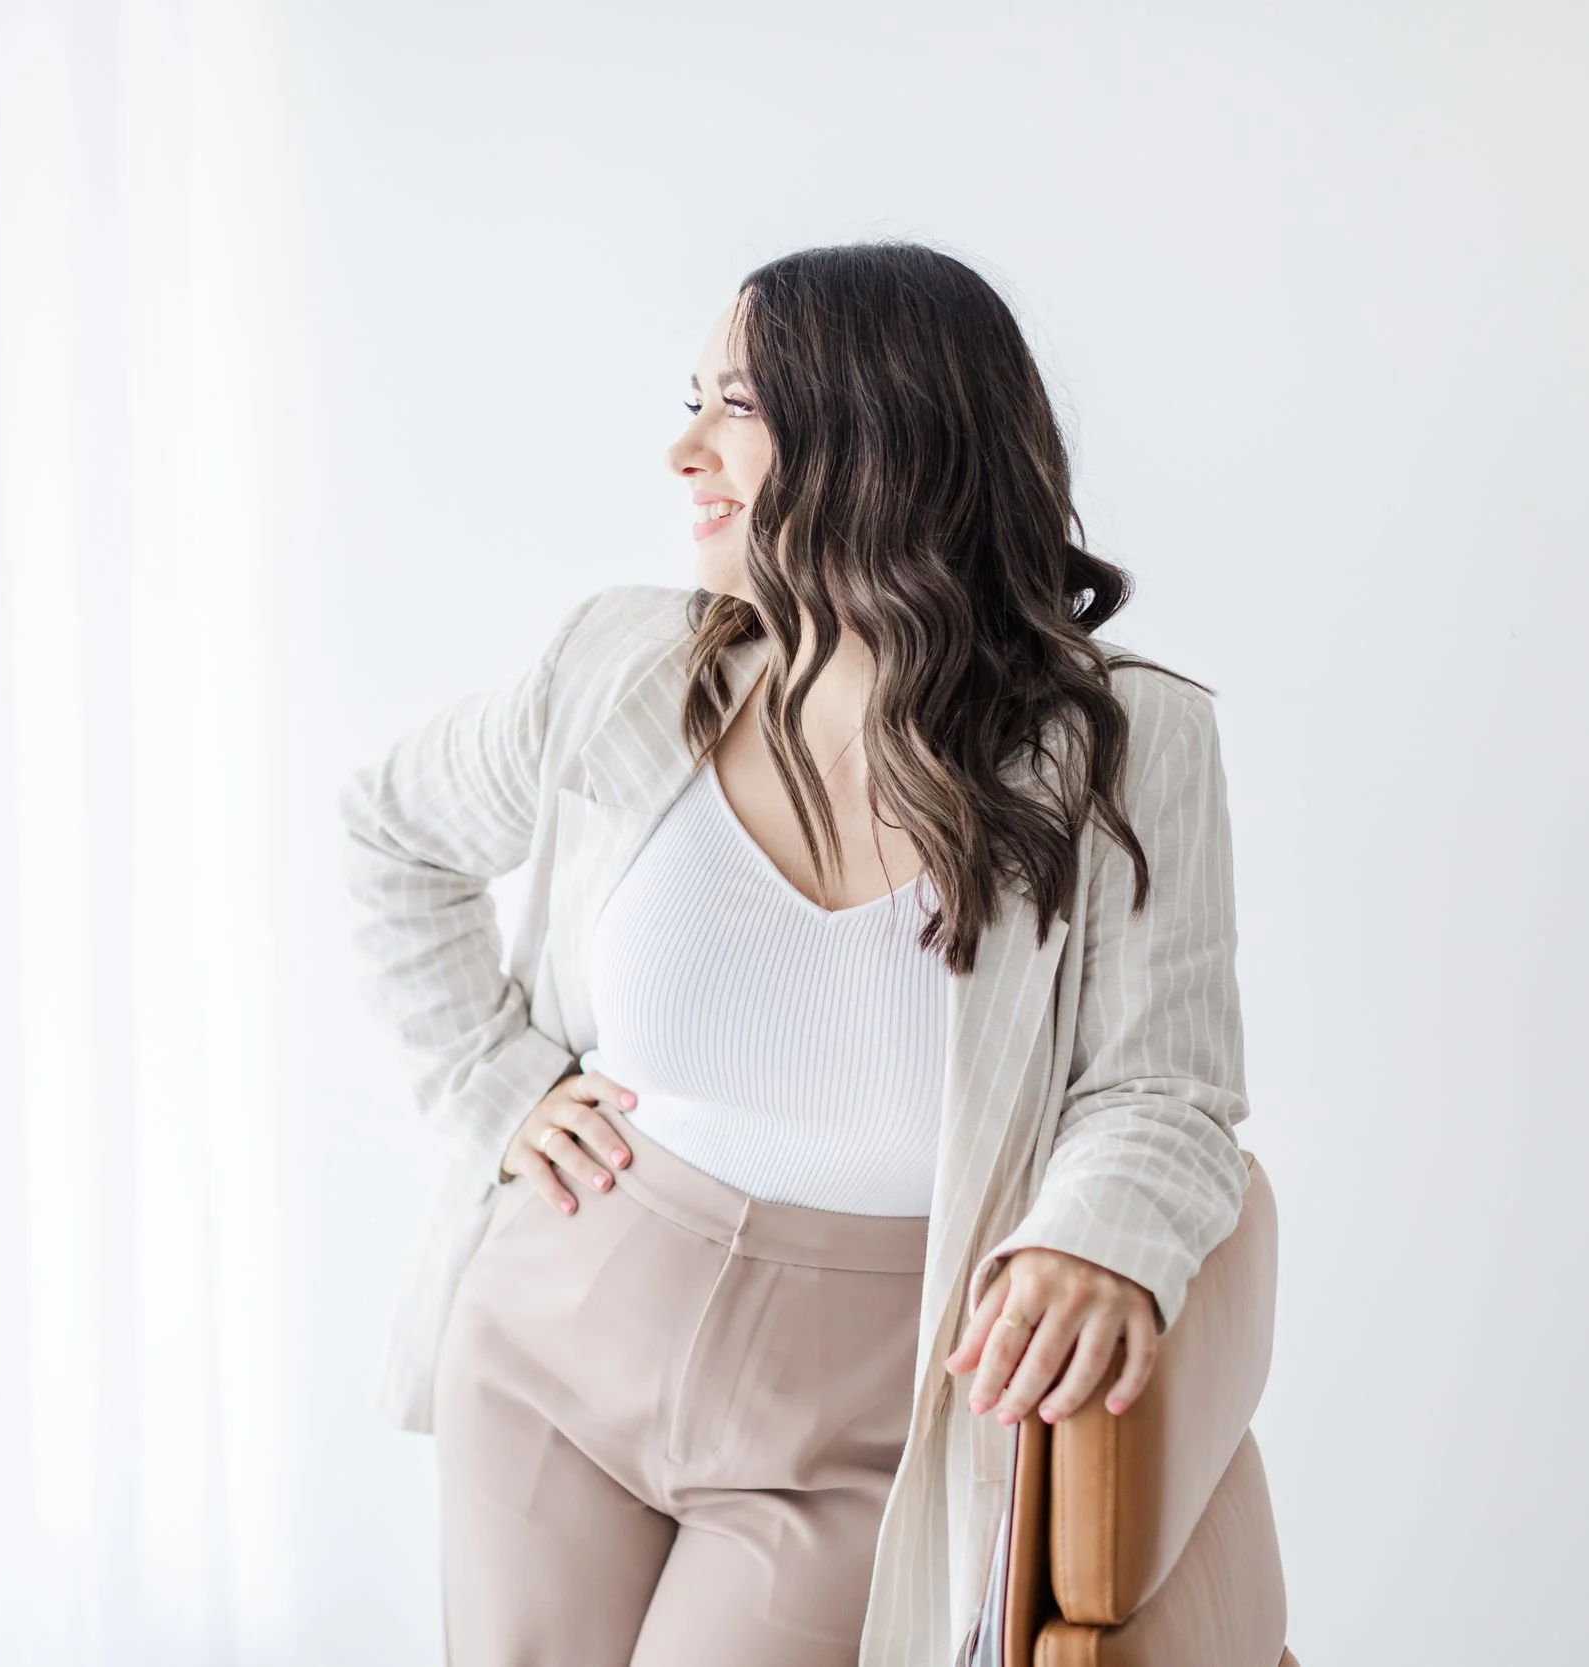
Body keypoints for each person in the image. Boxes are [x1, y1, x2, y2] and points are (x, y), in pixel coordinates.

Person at [337, 240, 1251, 1667]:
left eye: (734, 406)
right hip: (559, 1332)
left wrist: (1096, 1240)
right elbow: (390, 830)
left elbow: (1167, 1091)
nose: (682, 447)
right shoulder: (622, 669)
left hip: (860, 1415)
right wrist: (495, 1078)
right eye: (689, 399)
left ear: (882, 431)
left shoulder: (1120, 750)